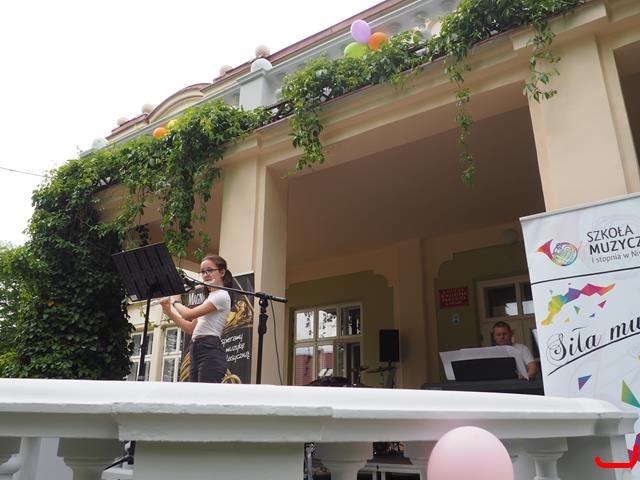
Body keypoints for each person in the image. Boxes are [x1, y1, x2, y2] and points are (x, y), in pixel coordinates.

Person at [160, 254, 232, 383]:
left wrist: (176, 301)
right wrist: (169, 312)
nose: (205, 275)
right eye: (203, 272)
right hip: (196, 348)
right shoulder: (209, 298)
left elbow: (188, 314)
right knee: (195, 392)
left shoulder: (221, 295)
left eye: (209, 270)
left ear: (222, 272)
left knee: (204, 393)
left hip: (210, 348)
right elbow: (191, 328)